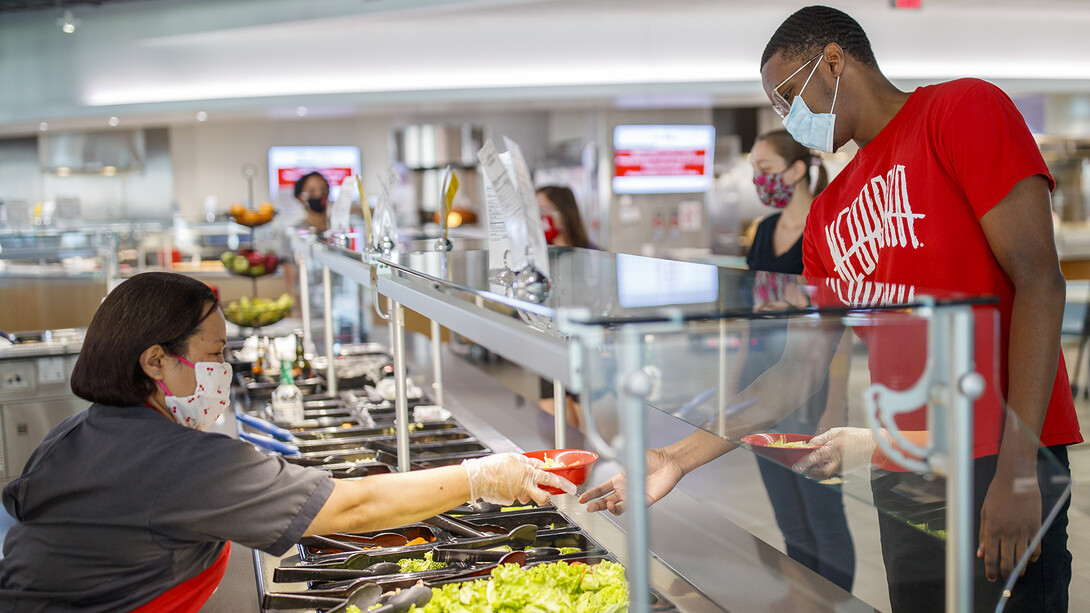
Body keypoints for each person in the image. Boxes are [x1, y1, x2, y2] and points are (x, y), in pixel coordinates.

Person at [581, 6, 1081, 612]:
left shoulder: (960, 111)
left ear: (836, 61)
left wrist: (1019, 470)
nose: (790, 116)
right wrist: (677, 458)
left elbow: (1039, 281)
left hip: (998, 451)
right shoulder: (829, 213)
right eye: (778, 106)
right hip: (907, 465)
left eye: (790, 94)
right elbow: (797, 371)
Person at [0, 272, 574, 612]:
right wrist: (482, 476)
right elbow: (355, 506)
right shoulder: (179, 462)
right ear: (156, 361)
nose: (225, 371)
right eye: (215, 354)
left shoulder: (75, 433)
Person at [743, 129, 854, 592]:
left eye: (764, 171)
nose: (756, 180)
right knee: (788, 514)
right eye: (753, 172)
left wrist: (836, 406)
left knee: (822, 511)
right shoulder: (765, 230)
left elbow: (839, 326)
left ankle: (836, 602)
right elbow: (748, 316)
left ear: (796, 170)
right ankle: (806, 598)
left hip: (811, 385)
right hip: (763, 376)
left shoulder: (827, 226)